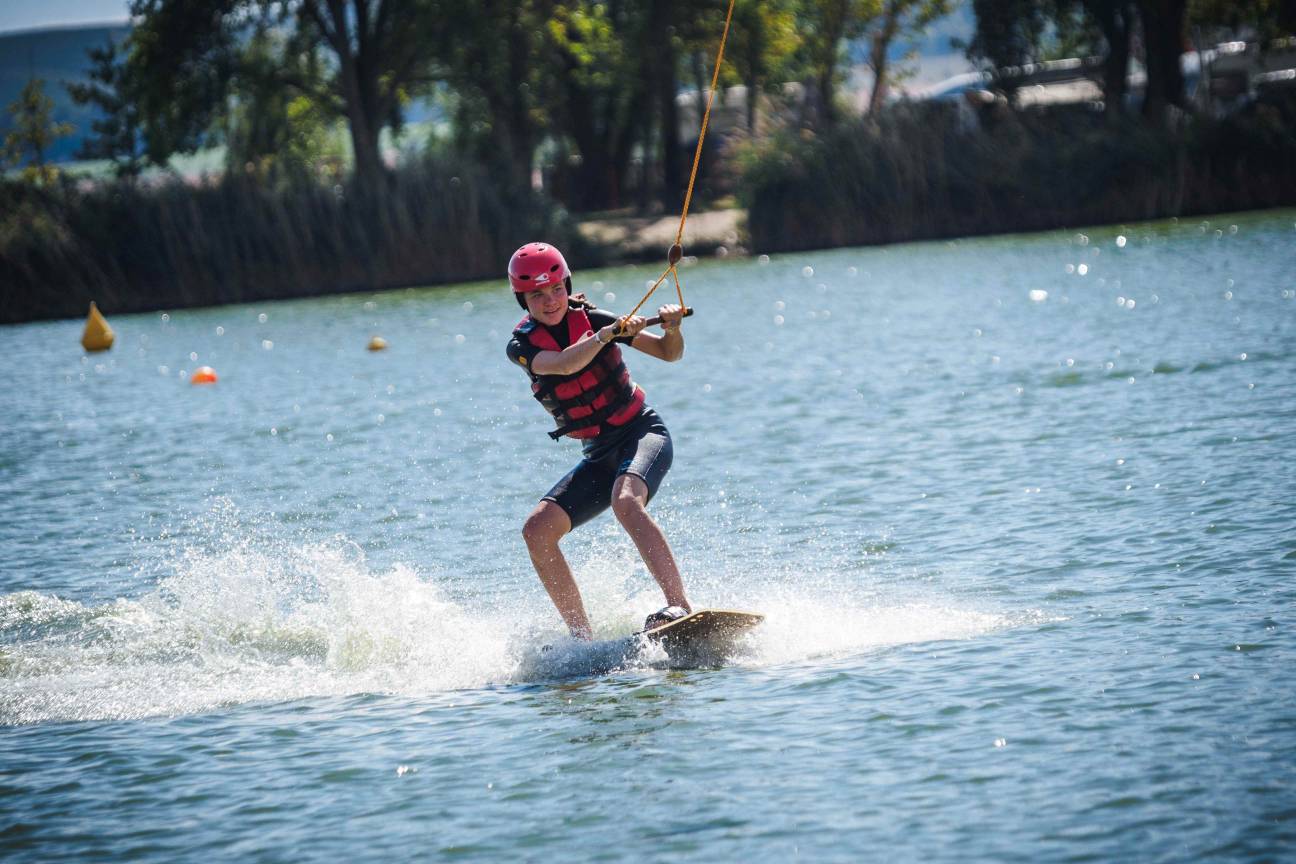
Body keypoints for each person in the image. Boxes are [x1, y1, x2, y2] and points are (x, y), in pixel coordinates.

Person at [505, 241, 691, 640]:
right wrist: (607, 335)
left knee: (625, 501)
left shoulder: (596, 320)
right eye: (537, 294)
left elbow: (668, 353)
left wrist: (672, 327)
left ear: (567, 285)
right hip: (599, 455)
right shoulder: (521, 346)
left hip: (642, 432)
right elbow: (563, 363)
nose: (550, 300)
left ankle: (680, 606)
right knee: (536, 530)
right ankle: (582, 641)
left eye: (556, 288)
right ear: (523, 299)